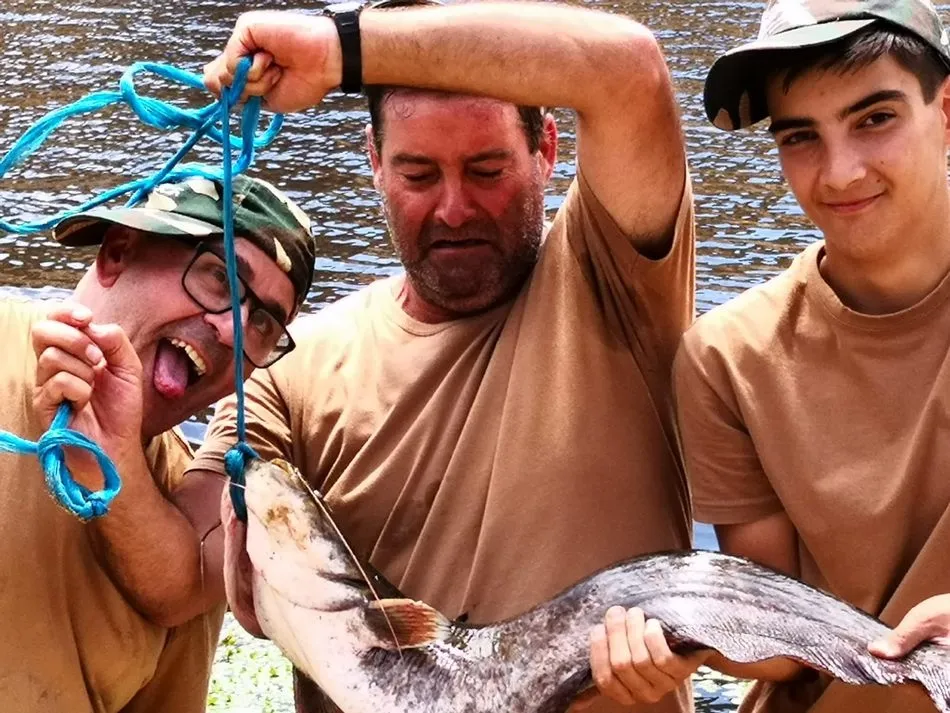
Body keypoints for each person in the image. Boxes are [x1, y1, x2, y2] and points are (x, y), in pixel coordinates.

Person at [196, 1, 701, 711]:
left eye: (487, 168)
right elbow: (178, 565)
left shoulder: (613, 281)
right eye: (419, 174)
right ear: (374, 163)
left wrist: (342, 50)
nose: (455, 207)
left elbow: (628, 71)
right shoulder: (288, 371)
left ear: (548, 150)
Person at [604, 0, 950, 710]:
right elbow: (781, 649)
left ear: (947, 111)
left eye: (874, 119)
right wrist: (675, 641)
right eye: (801, 137)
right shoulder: (727, 357)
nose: (841, 172)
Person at [1, 173, 316, 712]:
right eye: (219, 277)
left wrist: (113, 454)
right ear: (118, 253)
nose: (232, 328)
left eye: (263, 322)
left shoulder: (181, 522)